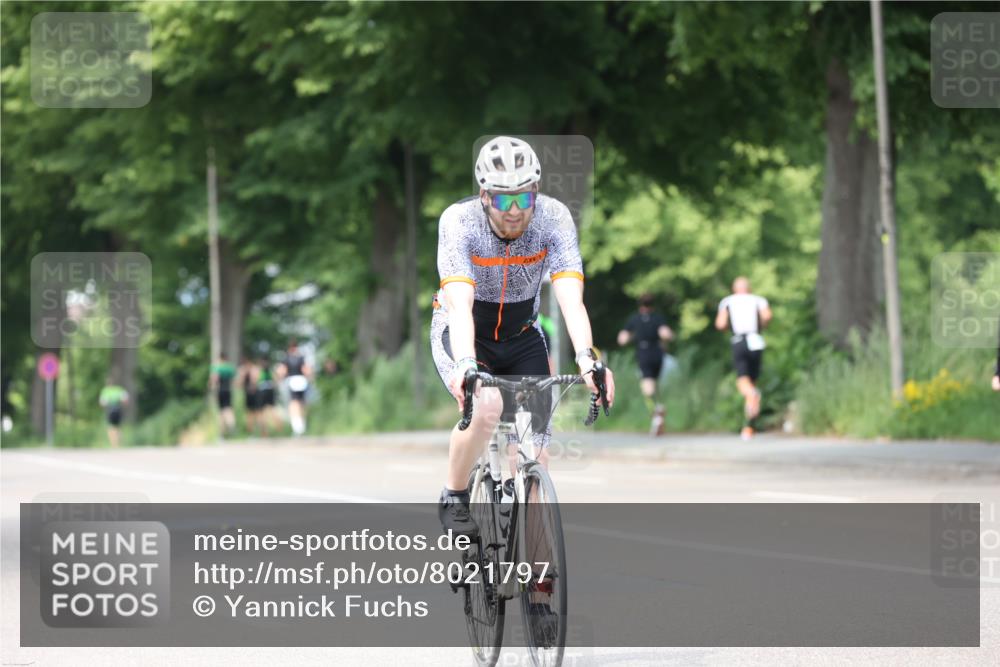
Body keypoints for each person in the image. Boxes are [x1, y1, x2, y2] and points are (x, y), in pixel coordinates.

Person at [430, 136, 616, 537]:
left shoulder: (555, 218)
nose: (514, 211)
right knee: (487, 408)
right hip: (465, 334)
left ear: (536, 192)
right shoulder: (459, 222)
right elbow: (459, 306)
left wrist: (587, 358)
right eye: (502, 200)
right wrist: (465, 366)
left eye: (523, 199)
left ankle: (536, 575)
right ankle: (455, 493)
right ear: (484, 196)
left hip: (522, 334)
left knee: (535, 452)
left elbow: (570, 300)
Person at [715, 277, 772, 440]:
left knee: (743, 382)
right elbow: (767, 317)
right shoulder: (758, 300)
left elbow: (720, 324)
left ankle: (752, 397)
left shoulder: (728, 301)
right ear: (749, 288)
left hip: (739, 341)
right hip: (756, 341)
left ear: (735, 288)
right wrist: (761, 325)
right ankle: (748, 428)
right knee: (752, 382)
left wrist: (728, 327)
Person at [617, 293, 674, 436]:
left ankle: (656, 413)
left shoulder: (634, 319)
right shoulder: (658, 318)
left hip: (644, 354)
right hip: (658, 354)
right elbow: (666, 334)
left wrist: (631, 336)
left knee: (647, 388)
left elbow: (622, 339)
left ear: (640, 305)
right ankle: (658, 413)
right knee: (654, 383)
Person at [280, 340, 312, 436]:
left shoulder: (287, 358)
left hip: (292, 381)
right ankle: (302, 426)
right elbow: (306, 370)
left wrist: (280, 379)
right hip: (302, 381)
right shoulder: (301, 357)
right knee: (302, 404)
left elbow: (282, 371)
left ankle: (297, 428)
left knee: (293, 405)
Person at [209, 353, 236, 436]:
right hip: (228, 389)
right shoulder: (230, 367)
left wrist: (211, 387)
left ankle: (221, 434)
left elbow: (214, 378)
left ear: (220, 358)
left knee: (221, 412)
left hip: (220, 390)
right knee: (228, 409)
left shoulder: (216, 367)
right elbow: (234, 379)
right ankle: (232, 424)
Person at [98, 377, 129, 448]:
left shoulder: (105, 391)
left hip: (110, 410)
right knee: (118, 427)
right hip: (118, 409)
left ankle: (113, 444)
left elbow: (102, 403)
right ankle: (118, 443)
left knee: (111, 427)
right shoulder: (119, 389)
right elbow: (126, 400)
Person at [256, 354, 278, 436]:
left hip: (261, 391)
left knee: (261, 412)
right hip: (270, 390)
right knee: (272, 410)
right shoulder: (270, 370)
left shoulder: (259, 370)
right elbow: (276, 380)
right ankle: (278, 427)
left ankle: (264, 432)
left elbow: (255, 380)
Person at [238, 356, 260, 435]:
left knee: (251, 413)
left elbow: (240, 382)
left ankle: (252, 431)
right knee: (255, 412)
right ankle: (256, 431)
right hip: (255, 393)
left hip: (250, 393)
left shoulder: (244, 370)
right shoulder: (255, 369)